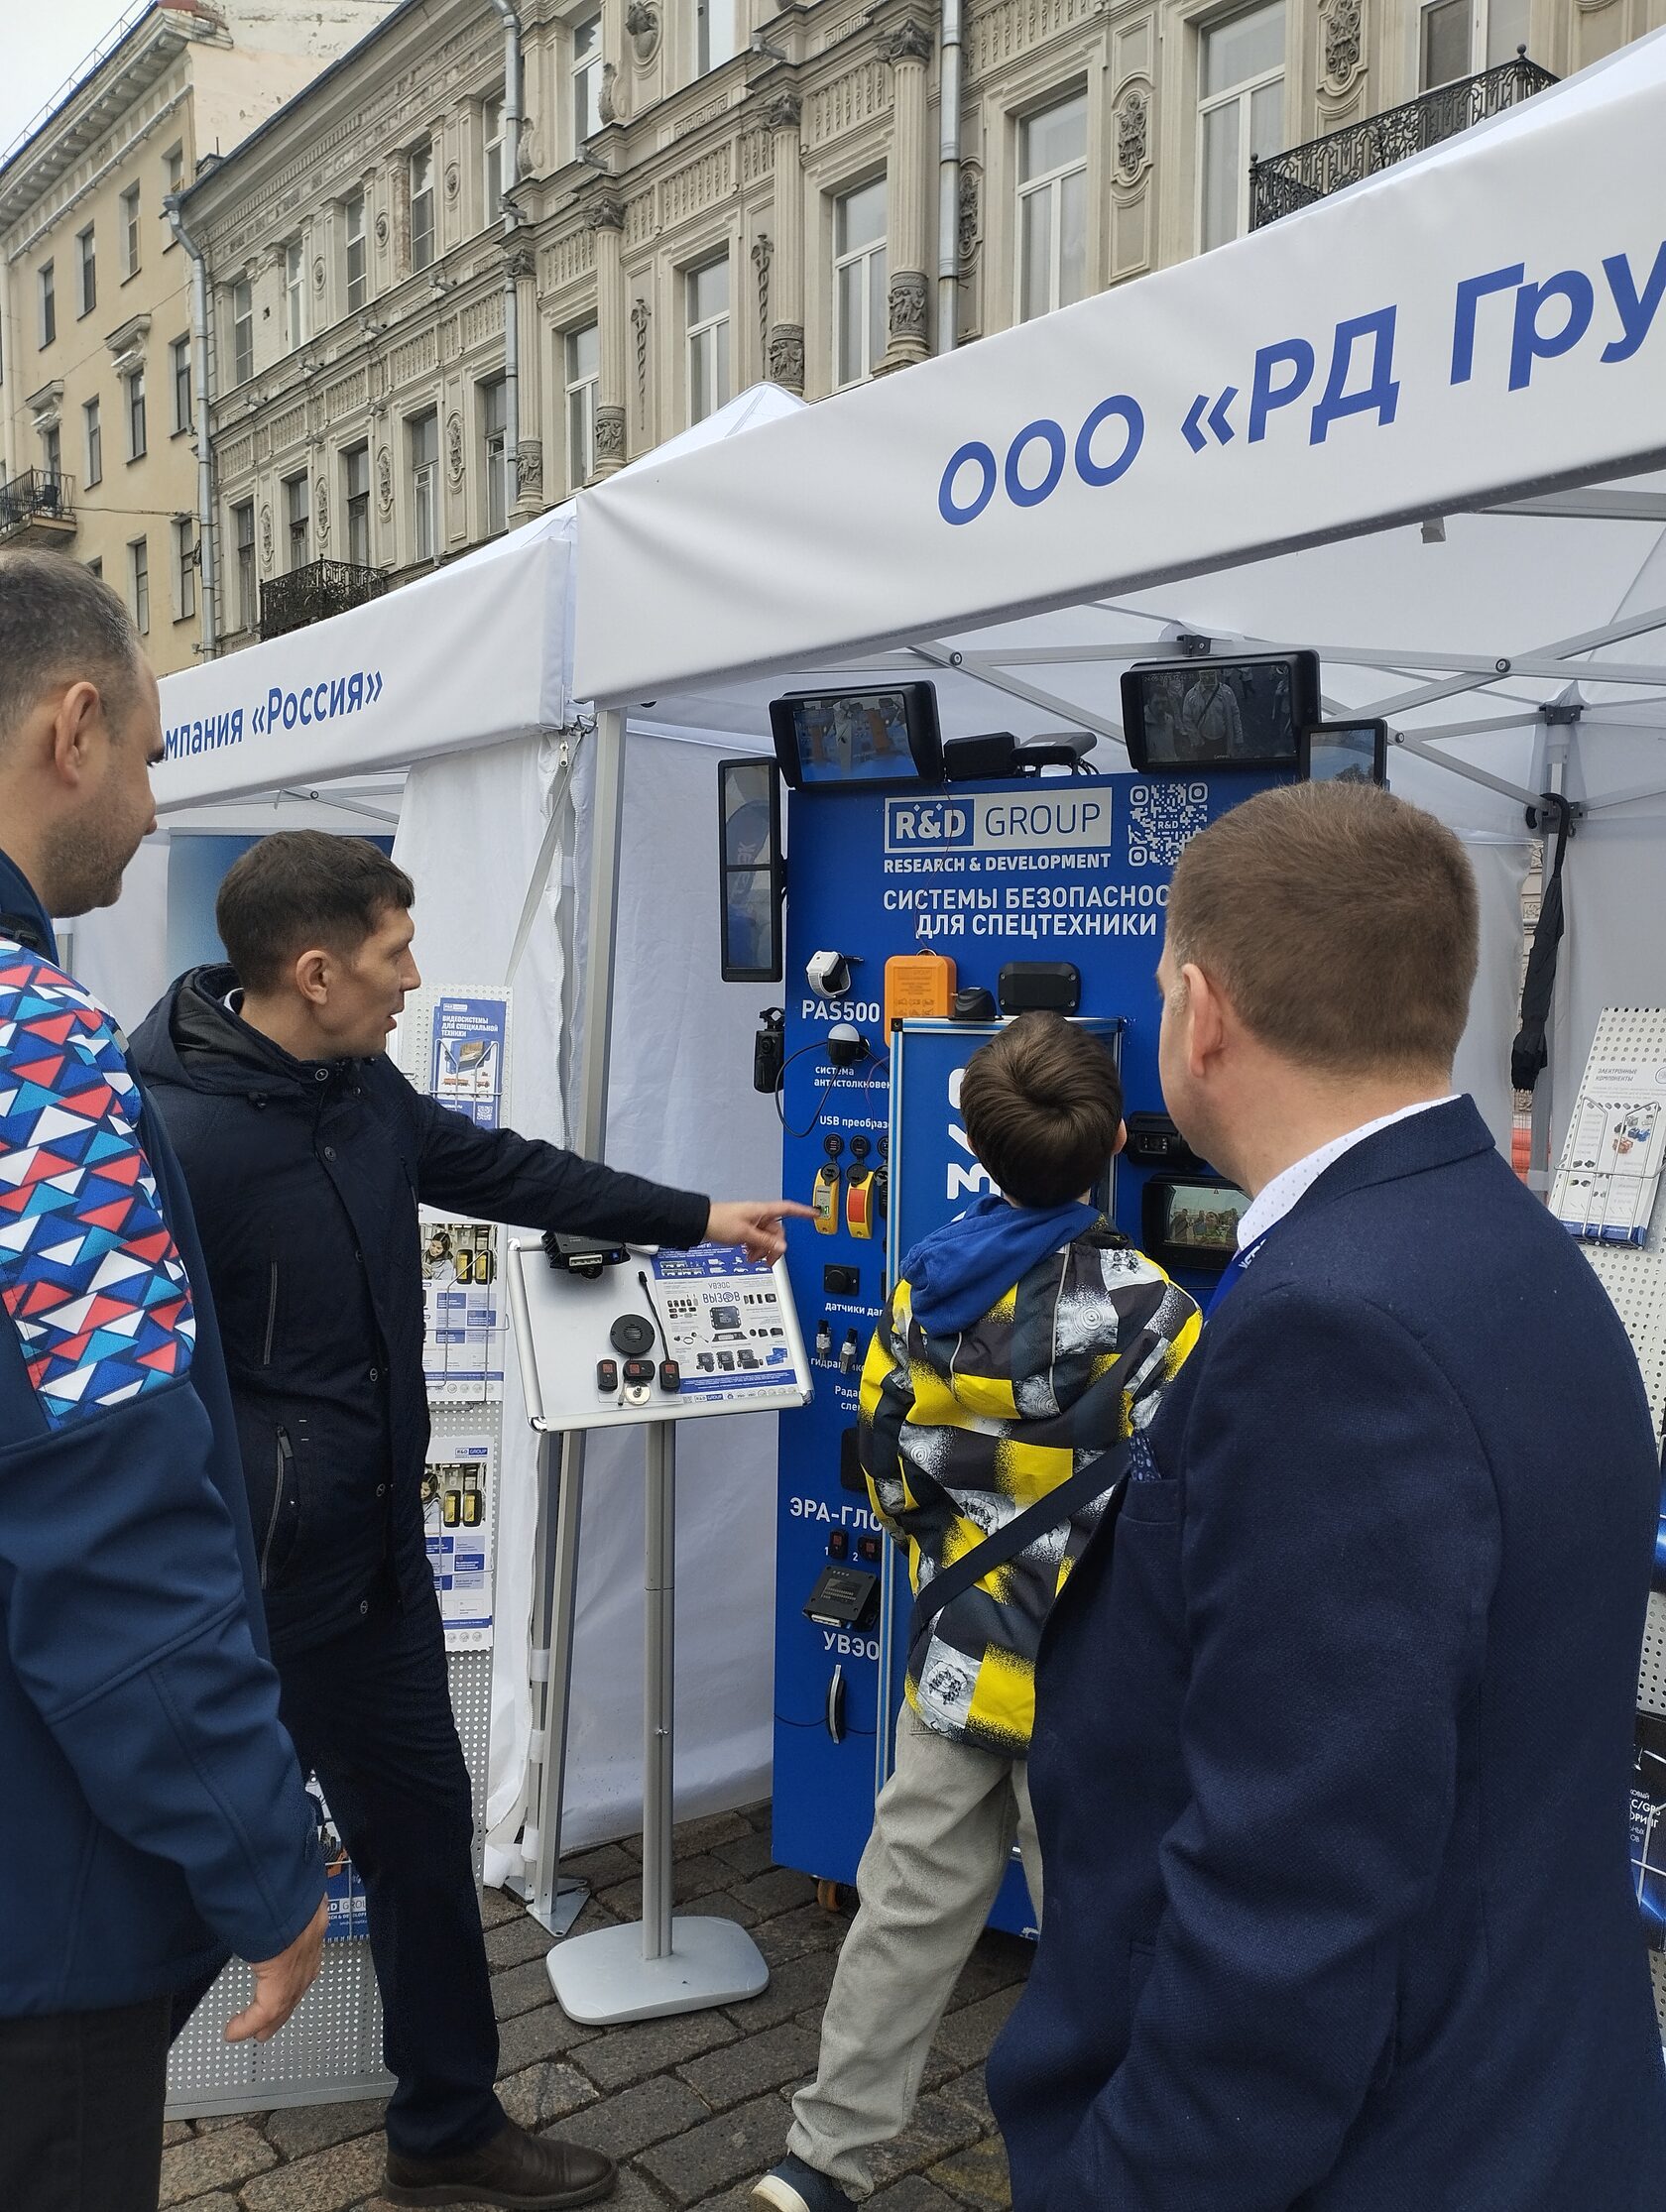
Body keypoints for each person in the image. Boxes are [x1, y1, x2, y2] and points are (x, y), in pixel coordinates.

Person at [988, 781, 1666, 2211]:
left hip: (1384, 2148)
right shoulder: (1507, 1244)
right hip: (1527, 2089)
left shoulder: (1333, 1327)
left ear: (1201, 1010)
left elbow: (1290, 1902)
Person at [131, 830, 811, 2211]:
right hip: (240, 1589)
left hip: (375, 1570)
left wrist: (694, 1214)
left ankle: (445, 2129)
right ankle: (68, 2106)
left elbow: (501, 1168)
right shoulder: (171, 1135)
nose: (412, 976)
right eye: (393, 952)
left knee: (426, 1840)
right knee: (176, 1879)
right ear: (315, 972)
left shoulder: (360, 1087)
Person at [0, 551, 326, 2212]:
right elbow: (111, 1517)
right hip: (36, 1920)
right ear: (73, 730)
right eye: (144, 752)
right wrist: (261, 1854)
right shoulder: (33, 1056)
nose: (148, 805)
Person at [755, 1012, 1201, 2212]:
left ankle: (822, 2157)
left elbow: (885, 1458)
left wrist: (951, 1551)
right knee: (1100, 1934)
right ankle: (1119, 2165)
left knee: (903, 1908)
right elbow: (1177, 1511)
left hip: (960, 1657)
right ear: (1115, 1142)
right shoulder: (1160, 1313)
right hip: (1088, 1685)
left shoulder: (925, 1280)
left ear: (975, 1144)